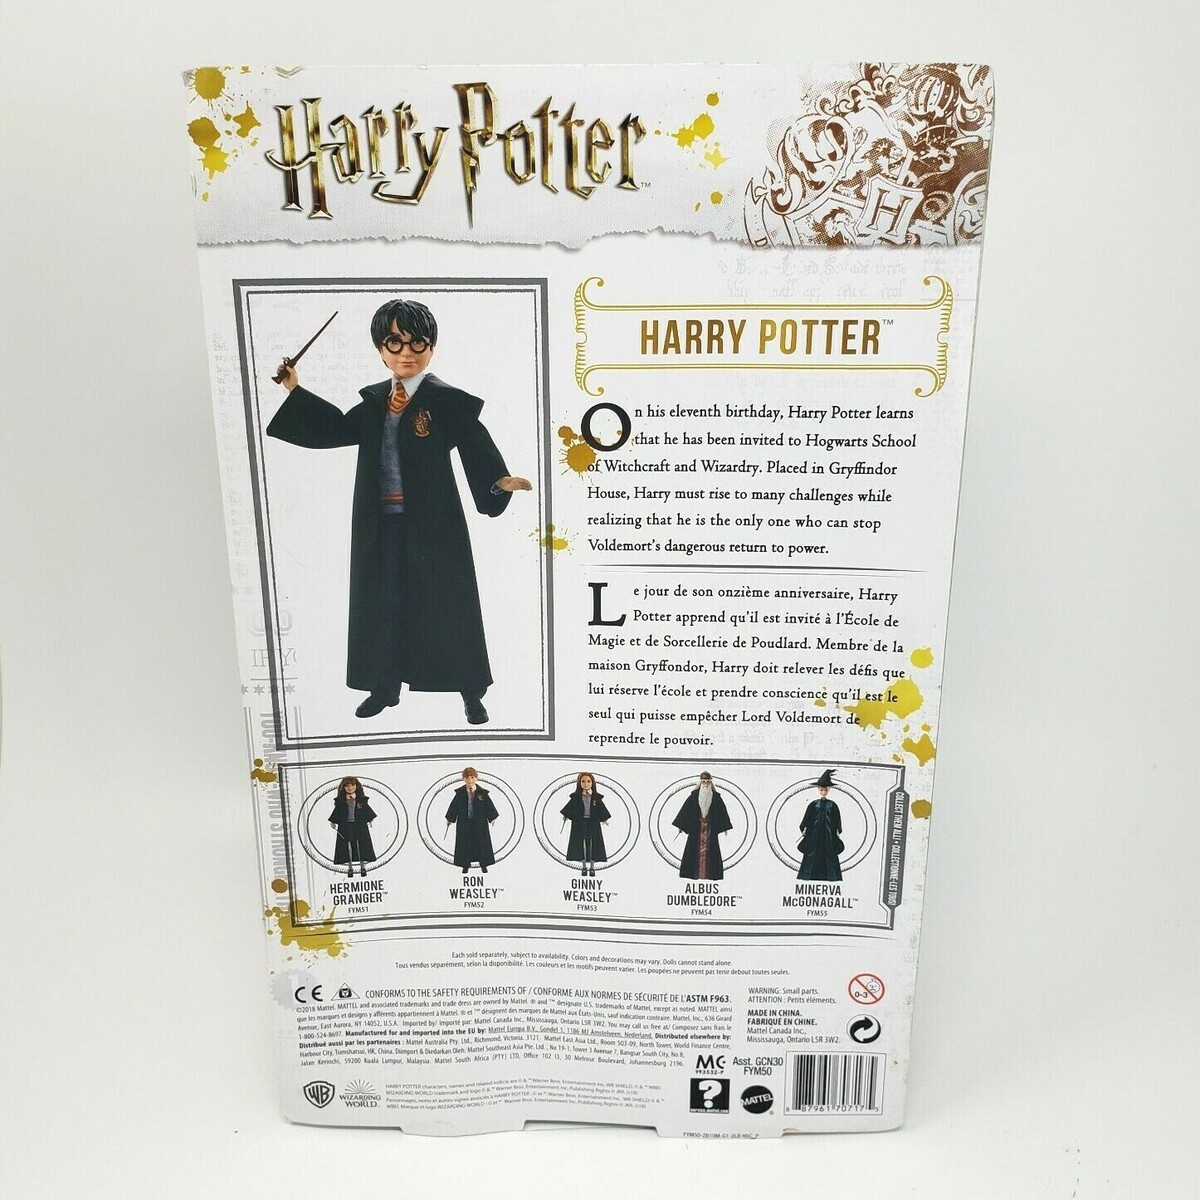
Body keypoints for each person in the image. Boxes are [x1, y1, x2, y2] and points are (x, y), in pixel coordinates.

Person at [268, 299, 532, 725]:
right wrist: (294, 389)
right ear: (381, 350)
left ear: (431, 348)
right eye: (395, 343)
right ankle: (383, 687)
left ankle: (471, 691)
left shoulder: (445, 400)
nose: (406, 352)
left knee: (449, 602)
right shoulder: (375, 402)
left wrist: (496, 480)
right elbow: (336, 427)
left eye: (417, 343)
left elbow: (473, 439)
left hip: (435, 522)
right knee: (382, 603)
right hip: (381, 521)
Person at [672, 771, 733, 880]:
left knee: (712, 851)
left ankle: (711, 874)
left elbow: (722, 812)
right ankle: (692, 874)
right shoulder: (694, 796)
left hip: (710, 829)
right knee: (692, 850)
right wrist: (681, 825)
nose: (705, 784)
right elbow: (685, 810)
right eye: (703, 782)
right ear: (700, 782)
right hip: (696, 829)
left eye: (707, 782)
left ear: (710, 783)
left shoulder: (716, 797)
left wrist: (724, 826)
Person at [445, 767, 499, 873]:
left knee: (481, 843)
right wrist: (450, 818)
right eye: (467, 777)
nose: (470, 780)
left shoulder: (482, 793)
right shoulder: (460, 793)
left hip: (480, 822)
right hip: (464, 822)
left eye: (472, 777)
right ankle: (465, 865)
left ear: (476, 778)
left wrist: (492, 817)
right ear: (463, 779)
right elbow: (454, 807)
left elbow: (488, 806)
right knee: (465, 843)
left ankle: (484, 864)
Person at [560, 771, 611, 876]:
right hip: (579, 822)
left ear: (592, 783)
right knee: (581, 844)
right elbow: (570, 807)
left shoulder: (596, 798)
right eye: (583, 781)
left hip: (593, 823)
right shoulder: (576, 797)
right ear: (579, 783)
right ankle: (583, 867)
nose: (586, 784)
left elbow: (601, 809)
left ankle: (592, 867)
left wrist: (604, 818)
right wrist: (566, 815)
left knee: (593, 844)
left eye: (588, 781)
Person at [797, 768, 844, 882]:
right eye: (821, 790)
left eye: (825, 790)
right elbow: (806, 819)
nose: (823, 792)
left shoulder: (833, 805)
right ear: (818, 789)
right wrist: (804, 829)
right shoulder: (813, 805)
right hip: (814, 837)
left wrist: (837, 831)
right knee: (812, 856)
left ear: (829, 790)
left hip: (829, 837)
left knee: (829, 856)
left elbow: (837, 821)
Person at [328, 776, 377, 877]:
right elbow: (337, 812)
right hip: (346, 826)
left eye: (352, 785)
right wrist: (333, 821)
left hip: (359, 825)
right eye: (347, 786)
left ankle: (363, 868)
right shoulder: (341, 801)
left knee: (360, 845)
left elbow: (367, 810)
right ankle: (350, 868)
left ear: (357, 786)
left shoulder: (361, 800)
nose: (350, 788)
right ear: (343, 788)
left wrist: (370, 819)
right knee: (348, 846)